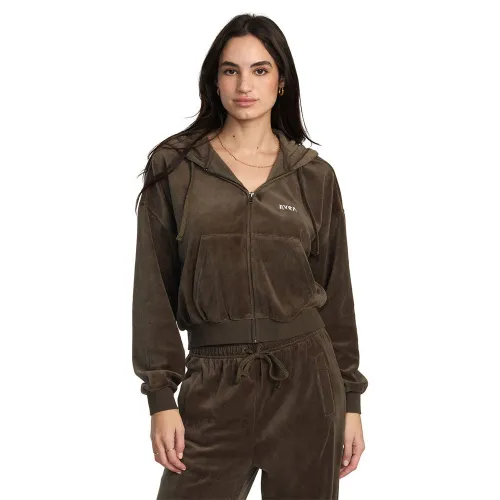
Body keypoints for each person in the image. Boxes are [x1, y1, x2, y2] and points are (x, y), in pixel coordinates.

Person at [132, 13, 368, 500]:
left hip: (307, 384)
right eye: (231, 70)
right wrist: (161, 396)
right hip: (213, 384)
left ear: (281, 81)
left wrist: (351, 402)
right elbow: (152, 288)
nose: (244, 85)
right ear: (214, 81)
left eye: (260, 70)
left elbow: (337, 295)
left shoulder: (313, 175)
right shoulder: (175, 168)